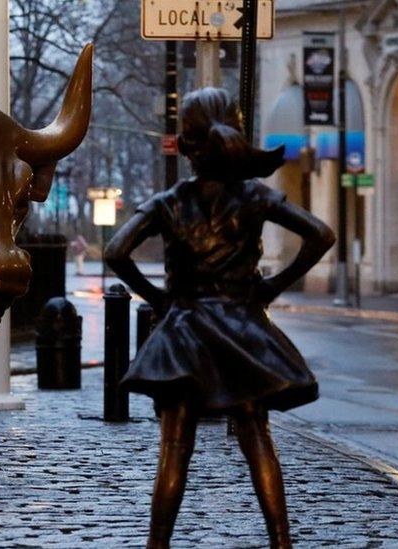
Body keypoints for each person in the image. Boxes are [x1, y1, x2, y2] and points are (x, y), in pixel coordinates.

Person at [104, 88, 335, 549]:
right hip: (243, 330)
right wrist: (273, 285)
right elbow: (321, 235)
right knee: (256, 438)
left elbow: (116, 252)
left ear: (185, 145)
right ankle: (281, 541)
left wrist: (160, 298)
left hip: (185, 332)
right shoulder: (253, 197)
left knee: (174, 449)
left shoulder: (171, 201)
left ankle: (158, 544)